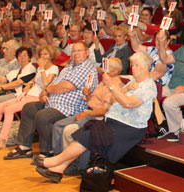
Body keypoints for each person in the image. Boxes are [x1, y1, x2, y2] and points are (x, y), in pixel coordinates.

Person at [33, 52, 157, 184]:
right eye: (132, 64)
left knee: (91, 133)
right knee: (88, 131)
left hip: (129, 128)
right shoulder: (132, 82)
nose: (133, 68)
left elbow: (128, 104)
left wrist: (111, 86)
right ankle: (58, 169)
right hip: (114, 122)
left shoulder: (148, 86)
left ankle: (55, 161)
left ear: (145, 67)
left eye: (136, 65)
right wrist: (124, 90)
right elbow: (112, 99)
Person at [3, 41, 98, 159]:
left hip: (69, 108)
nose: (76, 53)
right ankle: (25, 147)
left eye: (79, 50)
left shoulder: (87, 68)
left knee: (43, 116)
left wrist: (48, 90)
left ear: (87, 53)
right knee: (29, 108)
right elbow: (54, 83)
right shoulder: (68, 68)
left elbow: (67, 86)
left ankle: (47, 152)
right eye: (74, 51)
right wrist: (44, 92)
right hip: (53, 103)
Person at [0, 44, 58, 151]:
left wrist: (43, 69)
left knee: (9, 109)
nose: (42, 56)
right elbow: (34, 80)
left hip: (38, 97)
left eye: (45, 54)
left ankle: (2, 140)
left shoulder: (54, 68)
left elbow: (46, 84)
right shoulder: (40, 68)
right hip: (28, 94)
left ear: (51, 55)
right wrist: (29, 85)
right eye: (41, 54)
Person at [51, 57, 125, 170]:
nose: (103, 69)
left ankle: (74, 165)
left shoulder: (115, 86)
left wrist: (86, 114)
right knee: (58, 125)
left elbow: (104, 110)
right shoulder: (104, 81)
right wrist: (88, 95)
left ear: (115, 70)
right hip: (88, 110)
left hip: (97, 116)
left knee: (69, 130)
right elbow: (94, 101)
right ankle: (59, 158)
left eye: (107, 67)